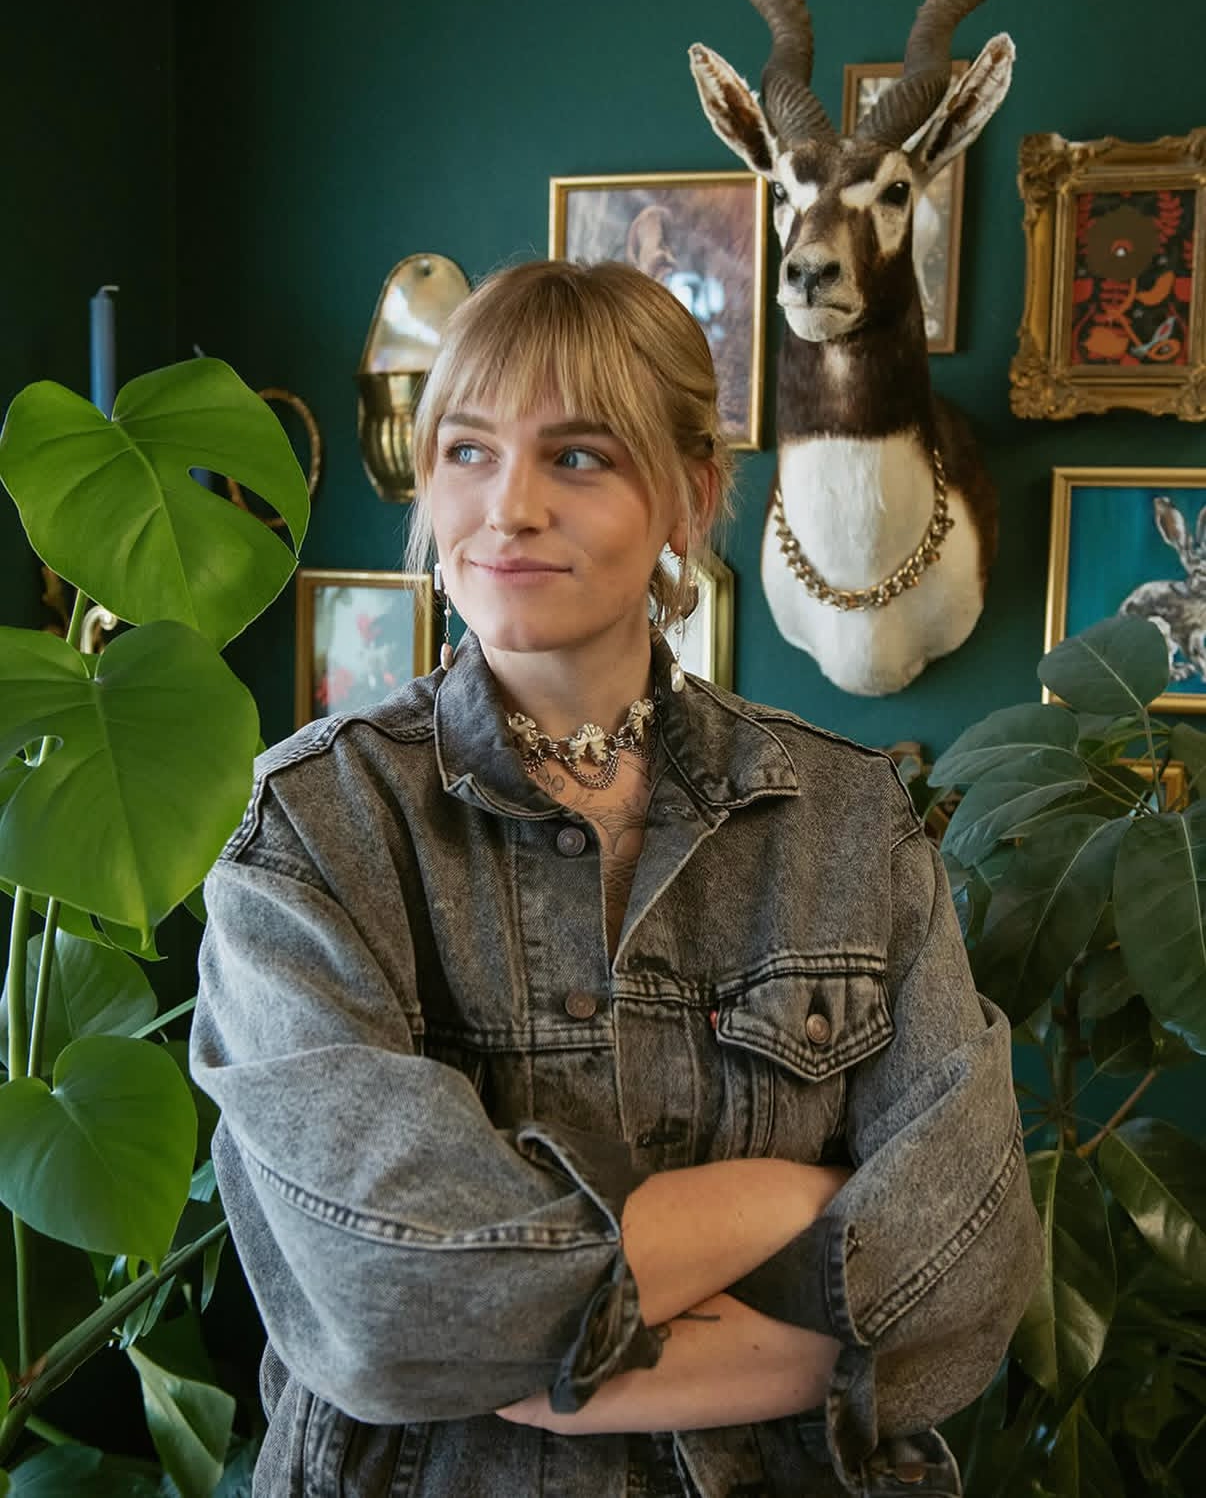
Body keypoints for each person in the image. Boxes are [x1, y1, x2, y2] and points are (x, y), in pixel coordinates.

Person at [191, 259, 1042, 1498]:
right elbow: (400, 1298)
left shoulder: (848, 819)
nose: (509, 506)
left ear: (690, 496)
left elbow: (970, 1262)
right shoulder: (320, 825)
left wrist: (558, 1364)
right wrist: (795, 1201)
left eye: (579, 457)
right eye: (469, 451)